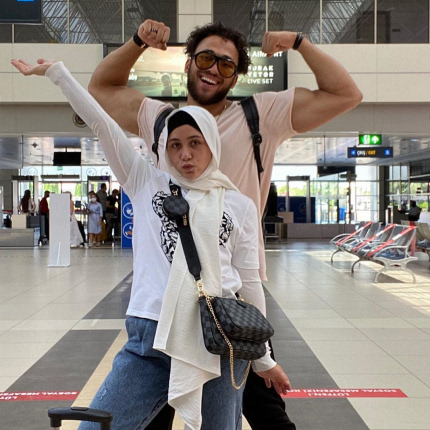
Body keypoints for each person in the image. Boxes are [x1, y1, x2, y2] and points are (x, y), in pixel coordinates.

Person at [85, 19, 363, 430]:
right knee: (153, 415)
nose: (214, 69)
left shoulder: (262, 115)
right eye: (205, 58)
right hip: (170, 294)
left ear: (236, 76)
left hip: (232, 298)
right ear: (188, 64)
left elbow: (347, 94)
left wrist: (299, 42)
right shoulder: (159, 118)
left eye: (227, 64)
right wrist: (138, 42)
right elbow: (100, 89)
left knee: (264, 411)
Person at [11, 57, 291, 430]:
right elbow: (102, 124)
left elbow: (249, 281)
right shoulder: (145, 181)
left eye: (195, 143)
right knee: (97, 425)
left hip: (219, 339)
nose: (185, 154)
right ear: (164, 149)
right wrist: (58, 74)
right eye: (175, 145)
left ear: (212, 145)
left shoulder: (238, 204)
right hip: (151, 337)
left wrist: (264, 358)